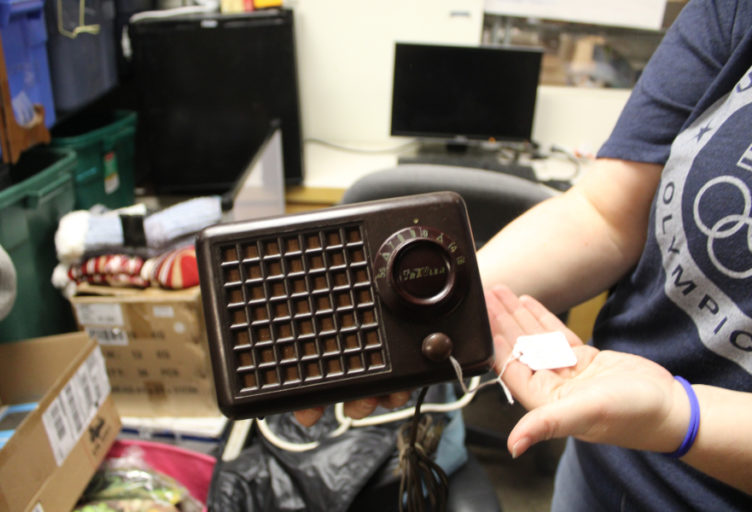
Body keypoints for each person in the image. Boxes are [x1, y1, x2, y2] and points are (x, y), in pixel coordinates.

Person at [299, 0, 752, 509]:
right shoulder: (730, 11)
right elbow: (604, 213)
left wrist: (679, 415)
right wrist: (420, 315)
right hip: (601, 463)